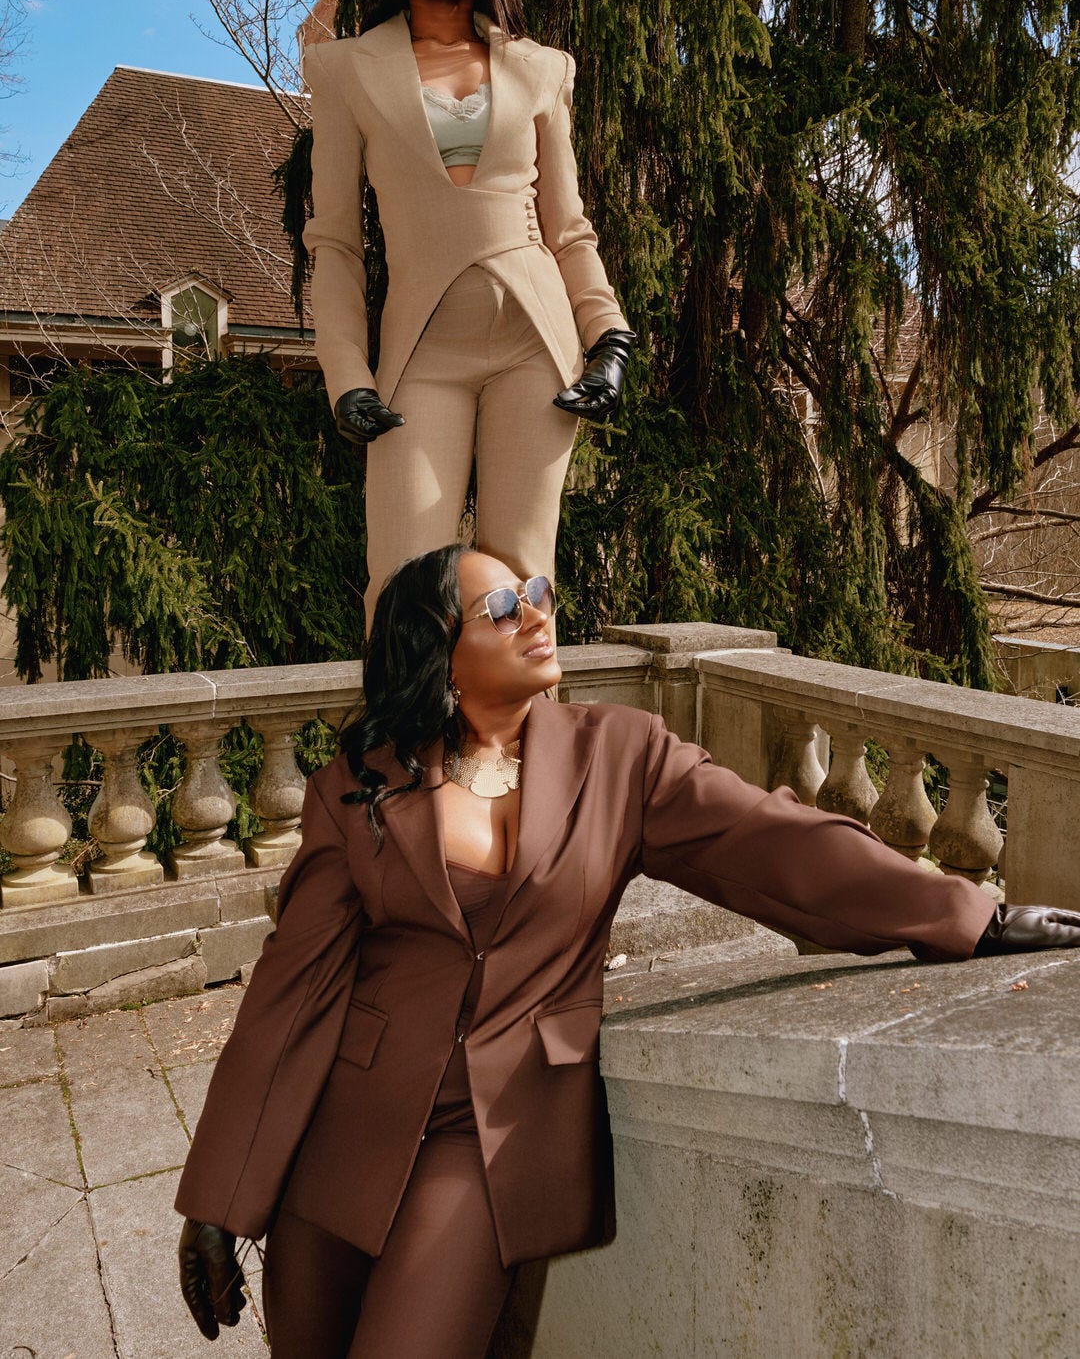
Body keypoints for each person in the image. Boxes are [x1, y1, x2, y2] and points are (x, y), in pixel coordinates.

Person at [176, 545, 1080, 1356]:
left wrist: (967, 914)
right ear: (437, 652)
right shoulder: (358, 787)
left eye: (537, 592)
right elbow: (291, 989)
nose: (537, 613)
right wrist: (217, 1199)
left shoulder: (619, 756)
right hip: (340, 1139)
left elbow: (775, 844)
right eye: (502, 607)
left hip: (489, 1141)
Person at [302, 0, 635, 630]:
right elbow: (337, 244)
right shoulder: (346, 70)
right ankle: (410, 721)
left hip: (535, 349)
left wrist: (609, 337)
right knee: (402, 590)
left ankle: (530, 719)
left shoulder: (543, 70)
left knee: (523, 590)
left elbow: (568, 228)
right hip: (422, 356)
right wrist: (347, 375)